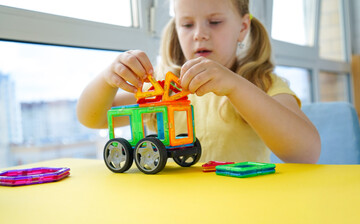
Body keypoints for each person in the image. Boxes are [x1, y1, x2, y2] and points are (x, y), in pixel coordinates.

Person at [77, 0, 321, 164]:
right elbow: (92, 117)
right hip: (178, 213)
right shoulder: (164, 88)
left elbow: (306, 152)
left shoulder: (261, 82)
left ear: (243, 27)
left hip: (244, 211)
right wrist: (108, 77)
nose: (199, 34)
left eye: (215, 22)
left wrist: (235, 86)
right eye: (187, 24)